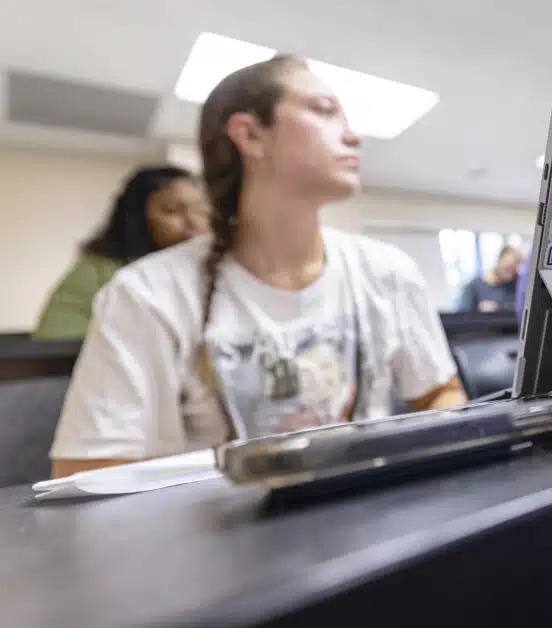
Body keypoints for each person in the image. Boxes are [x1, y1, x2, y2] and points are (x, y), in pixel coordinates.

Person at [50, 55, 467, 478]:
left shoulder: (388, 272)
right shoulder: (145, 295)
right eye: (323, 110)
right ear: (250, 135)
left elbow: (440, 395)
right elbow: (85, 473)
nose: (353, 136)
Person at [33, 165, 210, 340]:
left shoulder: (210, 268)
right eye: (172, 211)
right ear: (137, 218)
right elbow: (53, 343)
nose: (194, 222)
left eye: (201, 209)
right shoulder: (100, 270)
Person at [458, 245, 522, 313]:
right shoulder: (474, 286)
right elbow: (462, 314)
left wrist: (498, 306)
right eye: (507, 268)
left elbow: (521, 306)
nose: (510, 275)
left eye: (514, 271)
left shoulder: (515, 285)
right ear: (499, 261)